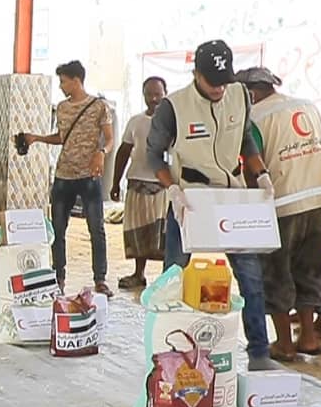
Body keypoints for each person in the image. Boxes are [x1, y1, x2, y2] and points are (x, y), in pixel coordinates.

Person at [146, 39, 281, 371]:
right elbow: (153, 154)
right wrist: (172, 189)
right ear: (196, 74)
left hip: (232, 197)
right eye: (212, 82)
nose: (219, 88)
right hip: (190, 200)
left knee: (250, 276)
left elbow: (246, 139)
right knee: (175, 276)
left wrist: (261, 172)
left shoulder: (238, 95)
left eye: (224, 81)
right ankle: (168, 352)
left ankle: (259, 353)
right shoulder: (174, 107)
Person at [236, 66, 321, 359]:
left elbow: (252, 164)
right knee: (309, 268)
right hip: (319, 197)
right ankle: (308, 337)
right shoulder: (307, 105)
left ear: (250, 93)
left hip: (283, 203)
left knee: (275, 270)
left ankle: (284, 343)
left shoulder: (255, 116)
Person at [22, 60, 114, 295]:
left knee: (97, 229)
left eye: (63, 81)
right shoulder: (62, 108)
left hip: (89, 176)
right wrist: (37, 138)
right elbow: (62, 138)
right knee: (57, 229)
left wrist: (101, 153)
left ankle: (100, 279)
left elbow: (109, 138)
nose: (61, 86)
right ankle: (58, 277)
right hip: (63, 175)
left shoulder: (99, 106)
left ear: (76, 80)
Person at [110, 76, 167, 290]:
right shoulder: (135, 121)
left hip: (163, 186)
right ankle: (138, 274)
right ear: (143, 95)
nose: (153, 99)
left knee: (163, 233)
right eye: (149, 94)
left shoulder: (173, 122)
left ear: (165, 94)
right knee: (138, 231)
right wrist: (115, 183)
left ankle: (166, 278)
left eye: (157, 94)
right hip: (137, 183)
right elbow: (123, 152)